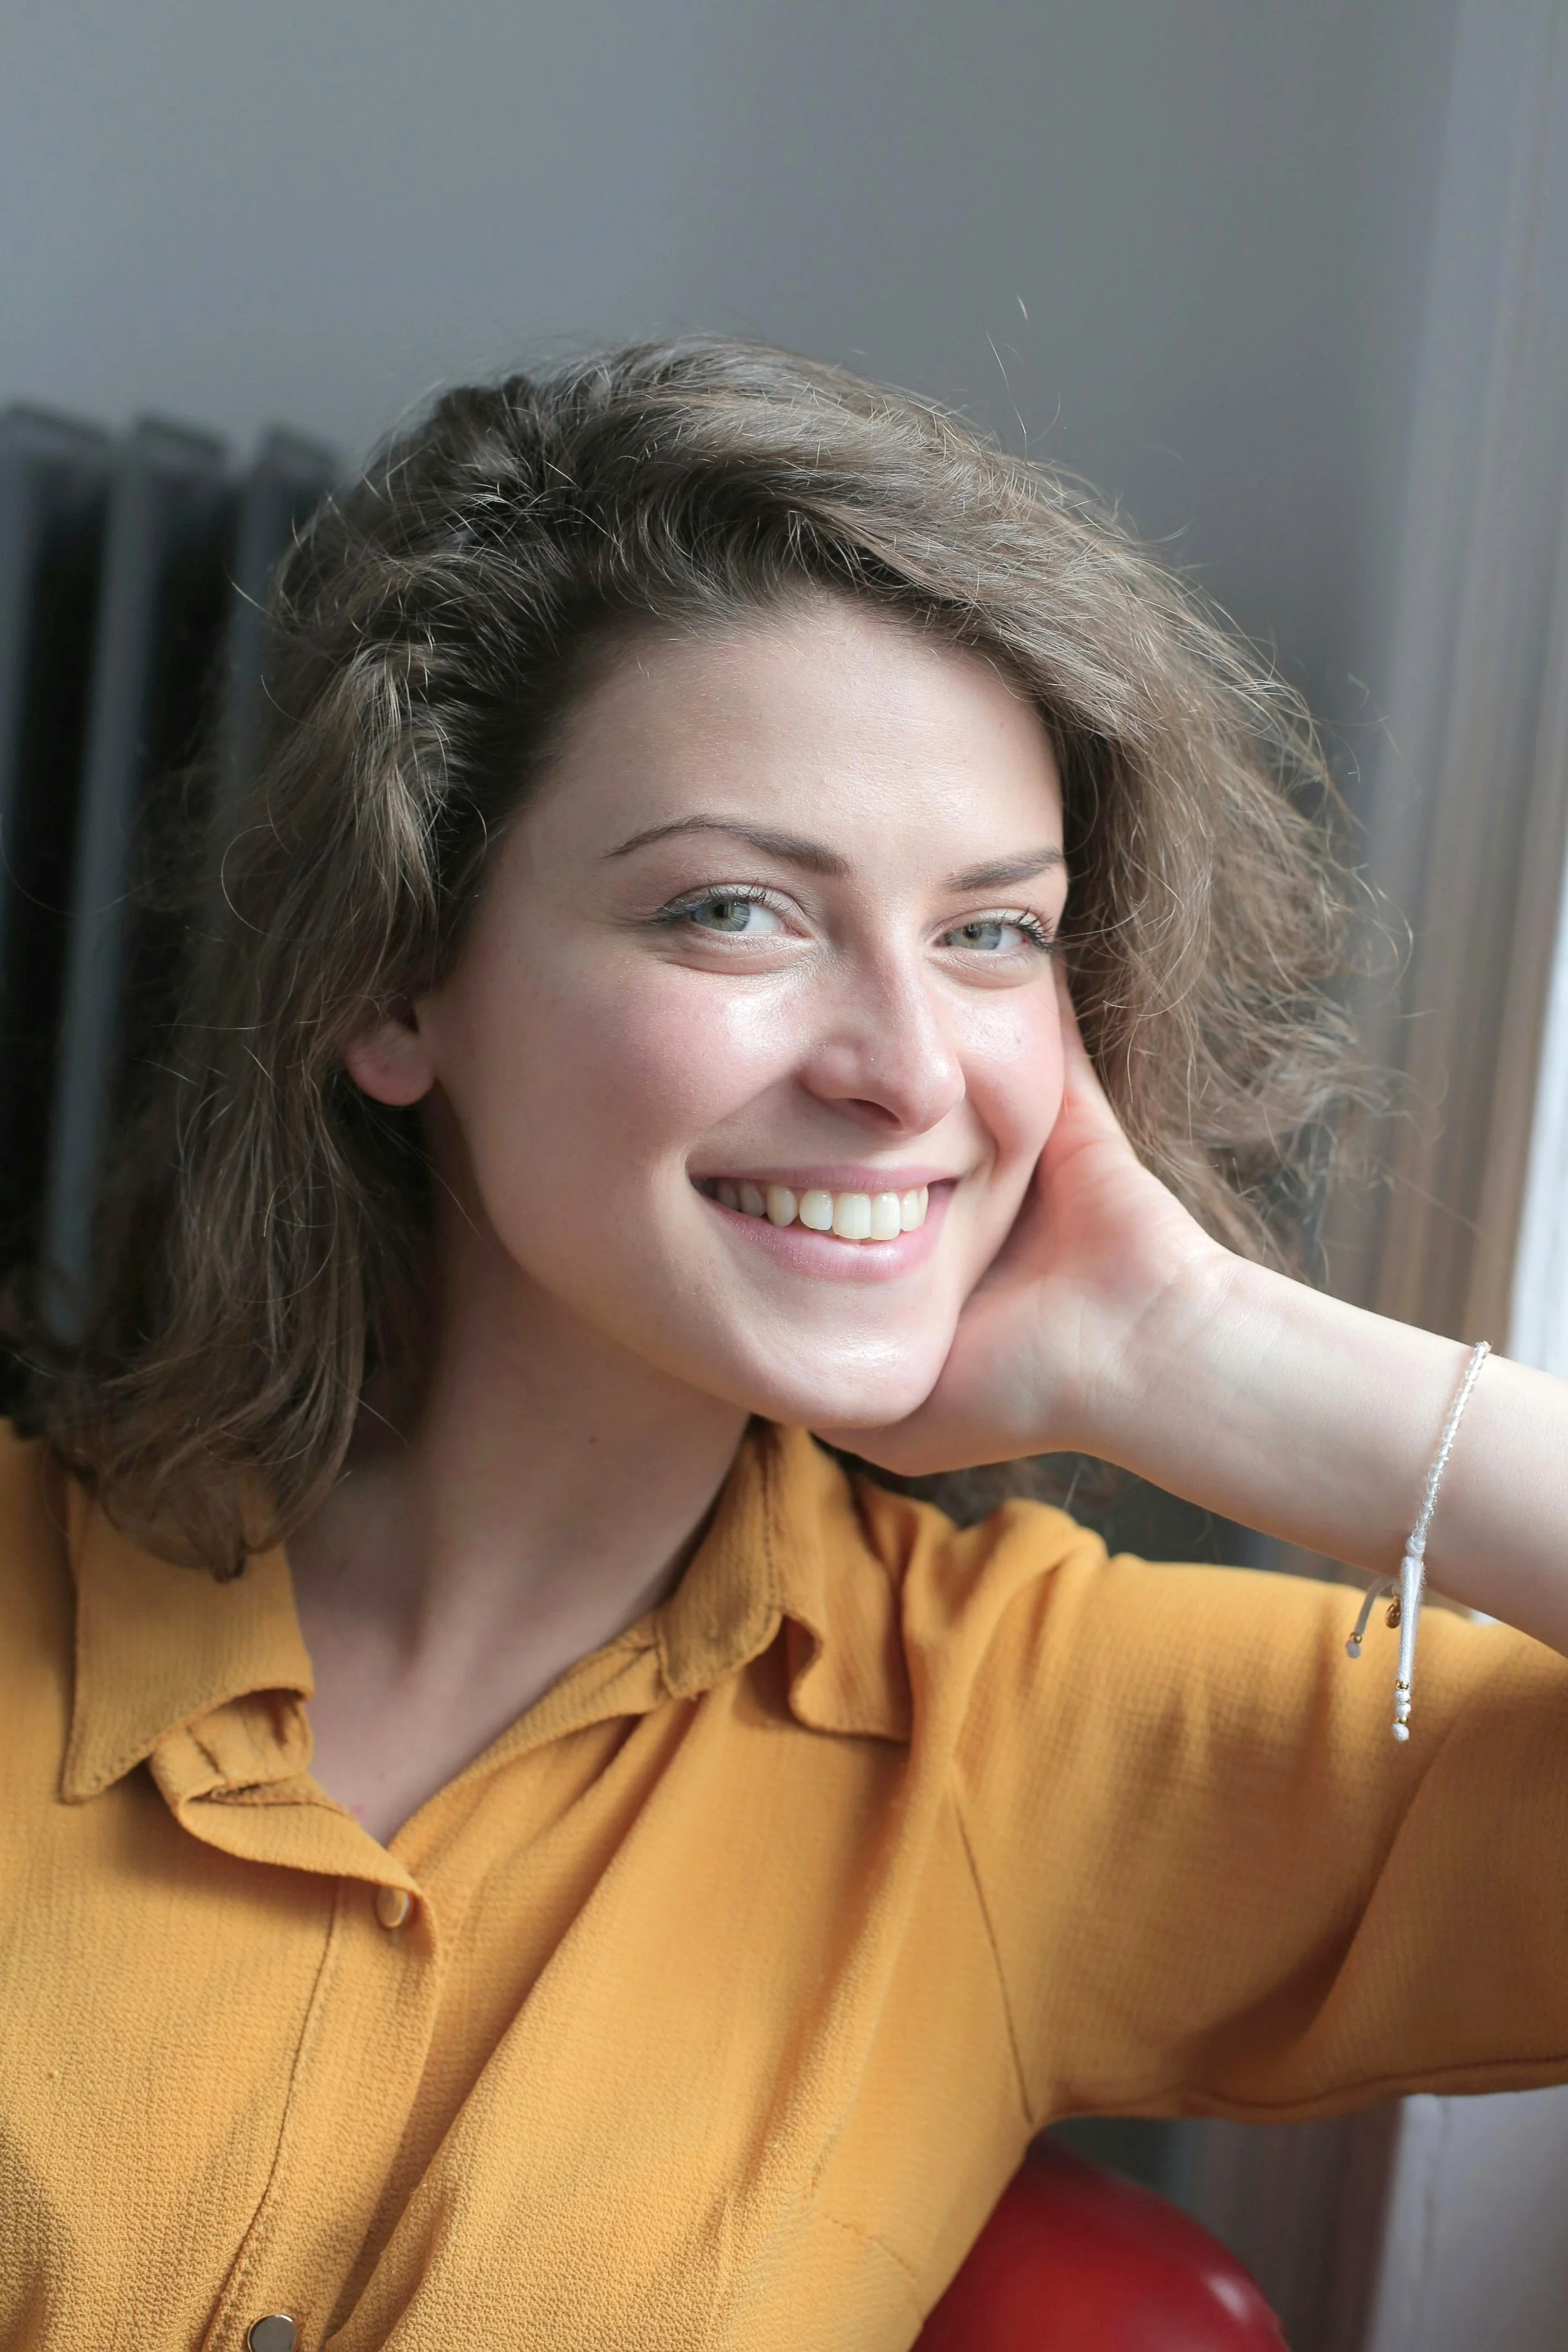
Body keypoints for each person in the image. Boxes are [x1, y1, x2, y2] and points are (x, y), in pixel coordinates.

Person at [3, 339, 1567, 2352]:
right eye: (736, 910)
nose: (908, 1068)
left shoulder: (1015, 1735)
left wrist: (1207, 1347)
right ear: (396, 983)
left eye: (992, 932)